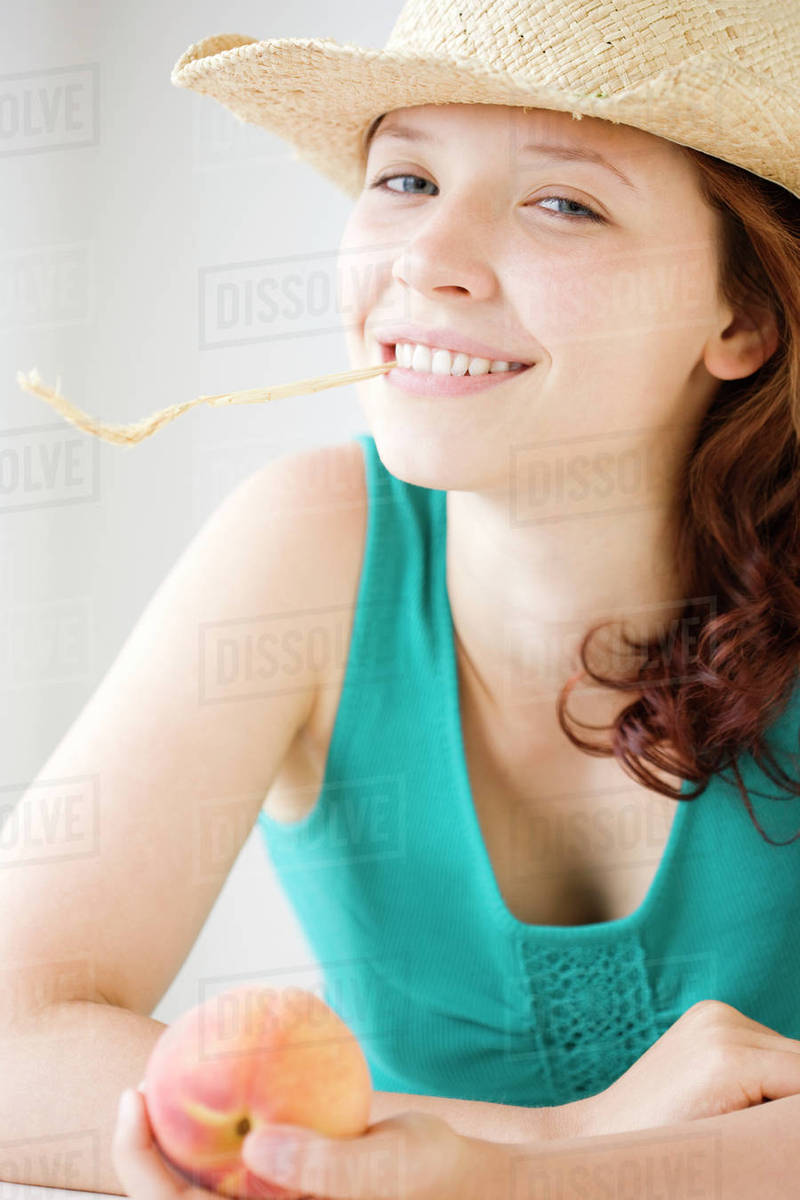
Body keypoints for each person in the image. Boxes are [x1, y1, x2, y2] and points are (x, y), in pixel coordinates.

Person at [10, 1, 800, 1197]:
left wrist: (499, 1183)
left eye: (562, 202)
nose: (426, 258)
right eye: (405, 178)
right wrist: (542, 1145)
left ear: (740, 314)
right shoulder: (307, 545)